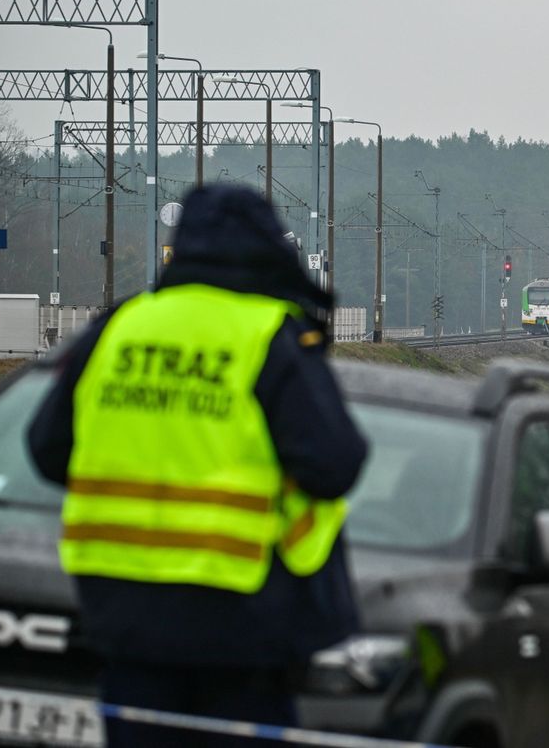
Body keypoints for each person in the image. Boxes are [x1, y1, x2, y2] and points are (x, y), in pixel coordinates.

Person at [27, 185, 369, 746]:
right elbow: (334, 464)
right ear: (265, 248)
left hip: (123, 617)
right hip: (238, 626)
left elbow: (47, 448)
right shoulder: (269, 334)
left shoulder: (121, 327)